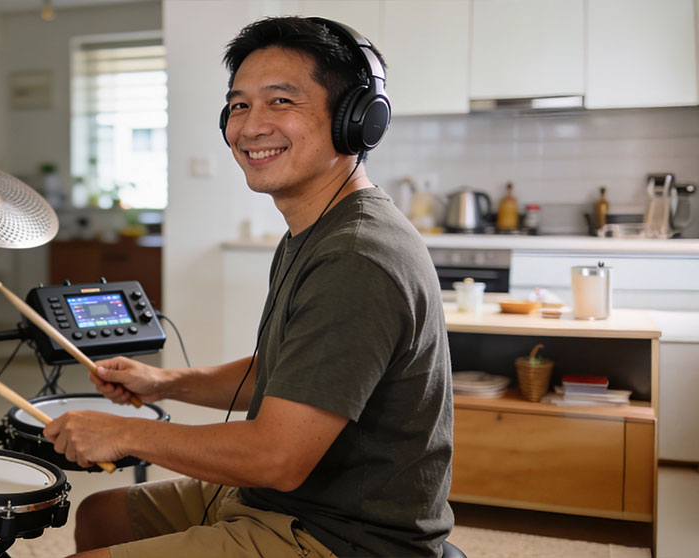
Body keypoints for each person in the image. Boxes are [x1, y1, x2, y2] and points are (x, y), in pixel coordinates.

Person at [42, 16, 453, 558]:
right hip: (291, 501)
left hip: (344, 535)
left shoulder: (356, 256)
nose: (251, 127)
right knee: (101, 515)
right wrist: (164, 382)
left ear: (355, 119)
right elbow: (286, 375)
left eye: (280, 101)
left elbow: (277, 457)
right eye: (239, 105)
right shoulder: (314, 230)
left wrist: (123, 432)